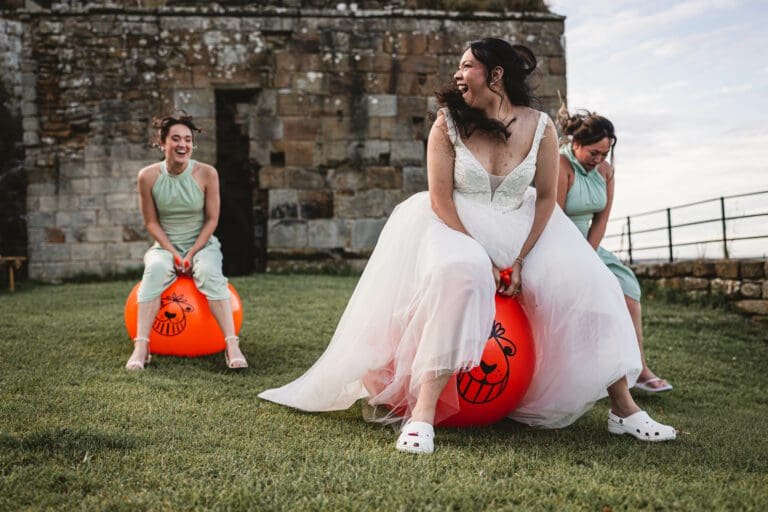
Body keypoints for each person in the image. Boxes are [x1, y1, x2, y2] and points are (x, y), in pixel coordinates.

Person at [259, 38, 676, 453]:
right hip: (454, 222)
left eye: (466, 67)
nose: (457, 75)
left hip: (523, 226)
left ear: (495, 75)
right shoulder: (447, 123)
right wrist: (486, 257)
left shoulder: (541, 126)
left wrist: (521, 258)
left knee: (591, 281)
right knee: (458, 271)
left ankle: (623, 408)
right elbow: (440, 198)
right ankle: (422, 414)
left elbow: (547, 198)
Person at [556, 108, 672, 393]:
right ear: (576, 144)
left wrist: (590, 255)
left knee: (628, 290)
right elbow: (554, 217)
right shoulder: (561, 165)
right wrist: (577, 260)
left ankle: (641, 369)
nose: (598, 161)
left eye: (604, 155)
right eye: (593, 153)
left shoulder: (606, 172)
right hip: (559, 240)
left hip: (590, 244)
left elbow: (601, 218)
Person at [124, 113, 248, 371]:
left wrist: (192, 252)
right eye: (176, 139)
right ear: (162, 142)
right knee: (155, 269)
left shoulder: (207, 173)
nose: (183, 145)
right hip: (165, 246)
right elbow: (151, 222)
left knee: (208, 271)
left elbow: (212, 220)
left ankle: (232, 345)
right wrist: (173, 253)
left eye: (188, 140)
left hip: (202, 244)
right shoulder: (147, 176)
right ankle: (141, 347)